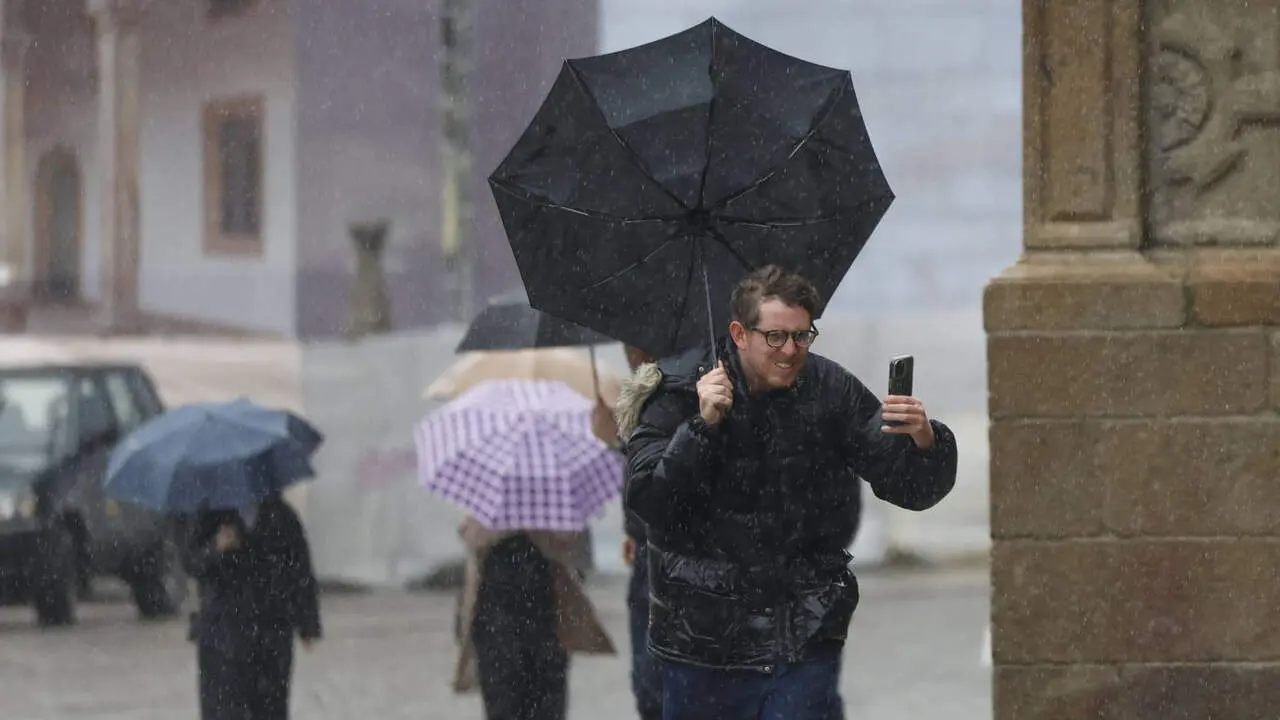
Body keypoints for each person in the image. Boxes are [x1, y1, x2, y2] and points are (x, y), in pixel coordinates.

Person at [622, 265, 958, 720]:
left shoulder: (828, 387)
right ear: (740, 334)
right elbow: (651, 502)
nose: (790, 351)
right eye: (776, 337)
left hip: (800, 632)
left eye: (803, 336)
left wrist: (924, 440)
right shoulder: (677, 389)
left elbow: (907, 486)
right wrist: (702, 427)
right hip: (701, 641)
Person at [453, 516, 614, 720]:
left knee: (542, 702)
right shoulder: (487, 513)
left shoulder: (556, 512)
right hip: (500, 621)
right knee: (507, 701)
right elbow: (470, 540)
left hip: (544, 620)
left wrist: (544, 533)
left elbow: (577, 553)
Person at [184, 494, 322, 720]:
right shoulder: (210, 514)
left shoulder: (282, 516)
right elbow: (192, 562)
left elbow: (301, 571)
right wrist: (215, 548)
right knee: (224, 709)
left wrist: (308, 623)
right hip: (223, 635)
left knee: (270, 709)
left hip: (271, 633)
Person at [616, 344, 663, 720]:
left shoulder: (673, 390)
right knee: (647, 682)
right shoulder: (636, 396)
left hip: (671, 550)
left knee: (656, 681)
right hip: (647, 549)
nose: (626, 351)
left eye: (631, 343)